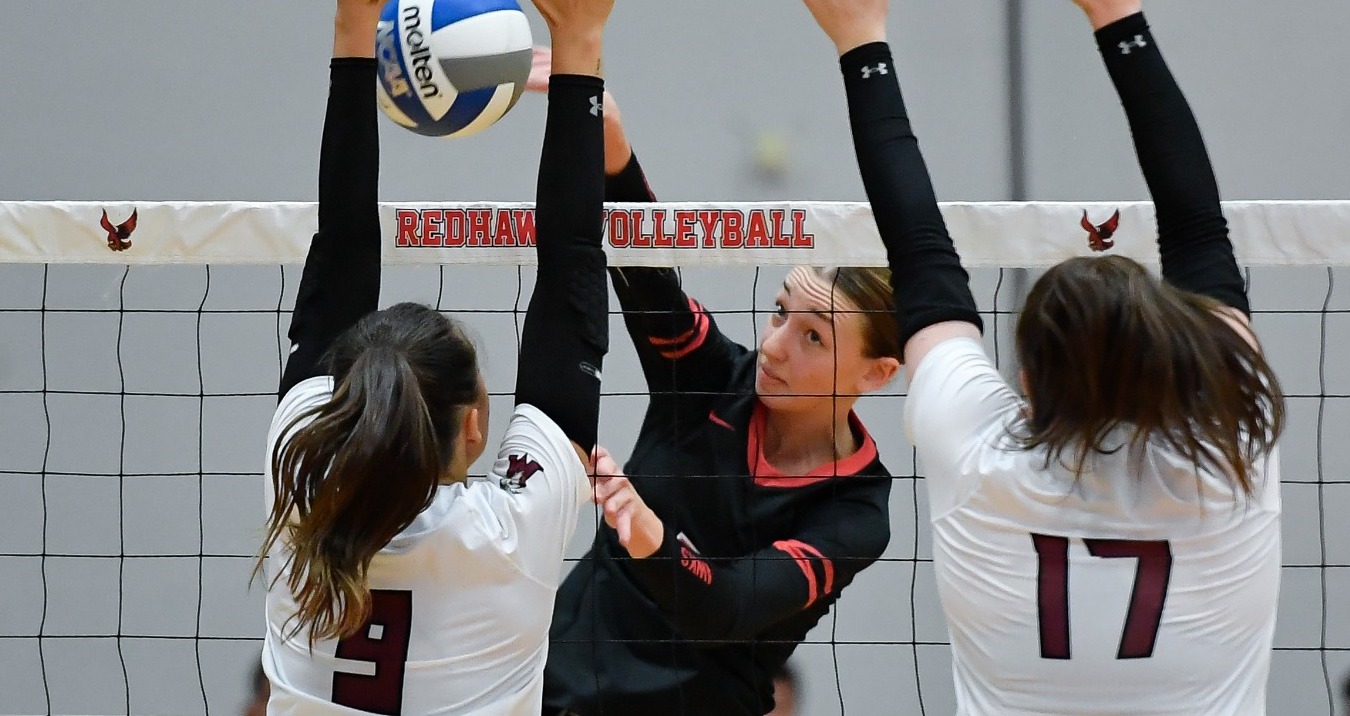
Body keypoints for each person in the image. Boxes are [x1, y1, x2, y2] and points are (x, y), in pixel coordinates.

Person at [802, 0, 1284, 713]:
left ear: (1026, 383)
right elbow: (1199, 233)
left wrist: (858, 35)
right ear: (1173, 362)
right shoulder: (1232, 454)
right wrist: (1119, 16)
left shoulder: (980, 459)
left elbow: (919, 252)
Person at [253, 0, 615, 713]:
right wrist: (581, 33)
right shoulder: (507, 535)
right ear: (474, 428)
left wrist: (353, 28)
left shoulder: (300, 489)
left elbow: (343, 254)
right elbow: (570, 275)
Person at [526, 55, 900, 716]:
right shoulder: (711, 380)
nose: (775, 346)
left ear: (876, 373)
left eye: (814, 336)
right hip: (556, 692)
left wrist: (646, 530)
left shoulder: (854, 513)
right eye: (781, 311)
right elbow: (651, 284)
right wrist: (614, 155)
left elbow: (725, 607)